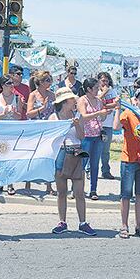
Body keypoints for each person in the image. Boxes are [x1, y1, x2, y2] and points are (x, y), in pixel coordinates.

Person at [50, 87, 97, 236]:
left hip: (76, 152)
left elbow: (82, 136)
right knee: (61, 191)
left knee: (79, 191)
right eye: (71, 100)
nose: (74, 101)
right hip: (61, 153)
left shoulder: (78, 115)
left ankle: (83, 222)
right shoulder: (54, 117)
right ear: (65, 102)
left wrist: (76, 124)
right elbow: (50, 138)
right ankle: (62, 221)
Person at [118, 91, 140, 238]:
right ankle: (124, 225)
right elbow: (115, 126)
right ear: (135, 100)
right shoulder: (128, 113)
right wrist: (119, 108)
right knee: (126, 195)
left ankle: (138, 225)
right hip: (129, 159)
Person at [77, 77, 115, 200]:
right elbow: (84, 116)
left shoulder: (99, 101)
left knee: (95, 164)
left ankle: (93, 190)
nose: (98, 90)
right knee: (82, 164)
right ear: (88, 89)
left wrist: (104, 114)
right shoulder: (82, 100)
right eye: (95, 88)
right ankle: (77, 189)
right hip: (86, 136)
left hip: (98, 135)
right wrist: (99, 113)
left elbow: (101, 119)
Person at [0, 75, 26, 195]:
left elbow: (20, 116)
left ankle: (10, 183)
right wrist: (4, 113)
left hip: (12, 132)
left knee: (11, 158)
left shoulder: (17, 98)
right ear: (2, 86)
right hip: (0, 132)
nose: (11, 85)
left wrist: (14, 113)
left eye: (12, 83)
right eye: (8, 83)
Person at [96, 71, 120, 180]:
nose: (105, 83)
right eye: (103, 81)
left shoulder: (113, 91)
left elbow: (116, 104)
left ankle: (105, 171)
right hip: (96, 124)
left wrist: (105, 105)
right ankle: (89, 170)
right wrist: (104, 93)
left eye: (107, 81)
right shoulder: (95, 91)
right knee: (94, 149)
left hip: (108, 125)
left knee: (105, 150)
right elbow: (96, 102)